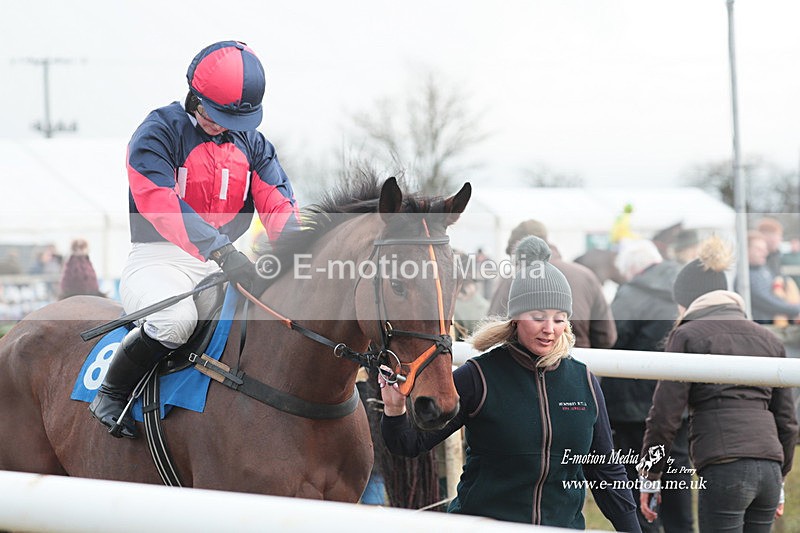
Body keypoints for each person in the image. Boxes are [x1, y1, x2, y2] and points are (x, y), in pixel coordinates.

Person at [89, 41, 299, 439]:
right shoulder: (158, 131)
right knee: (173, 322)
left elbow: (279, 202)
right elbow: (160, 203)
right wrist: (220, 248)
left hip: (223, 262)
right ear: (194, 95)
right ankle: (112, 391)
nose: (221, 125)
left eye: (232, 119)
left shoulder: (254, 145)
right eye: (213, 114)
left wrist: (301, 255)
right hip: (160, 259)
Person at [381, 236, 640, 531]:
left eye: (559, 319)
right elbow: (408, 443)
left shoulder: (585, 383)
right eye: (538, 317)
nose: (549, 329)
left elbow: (605, 471)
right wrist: (394, 409)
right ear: (516, 318)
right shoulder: (477, 377)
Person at [639, 236, 798, 533]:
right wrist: (781, 477)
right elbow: (787, 421)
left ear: (686, 300)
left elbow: (664, 416)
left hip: (724, 465)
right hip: (769, 468)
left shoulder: (686, 335)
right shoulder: (769, 339)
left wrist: (651, 474)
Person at [600, 240, 694, 533]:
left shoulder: (630, 294)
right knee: (676, 474)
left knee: (636, 479)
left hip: (631, 408)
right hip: (676, 401)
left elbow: (611, 337)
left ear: (632, 269)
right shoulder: (684, 290)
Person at [488, 219, 617, 349]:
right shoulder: (586, 276)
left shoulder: (513, 277)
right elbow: (606, 337)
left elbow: (492, 331)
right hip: (581, 360)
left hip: (522, 364)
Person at [746, 231, 800, 325]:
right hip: (763, 328)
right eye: (758, 249)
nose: (765, 253)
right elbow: (769, 302)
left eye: (764, 249)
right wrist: (796, 308)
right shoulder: (746, 277)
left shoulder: (763, 269)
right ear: (746, 250)